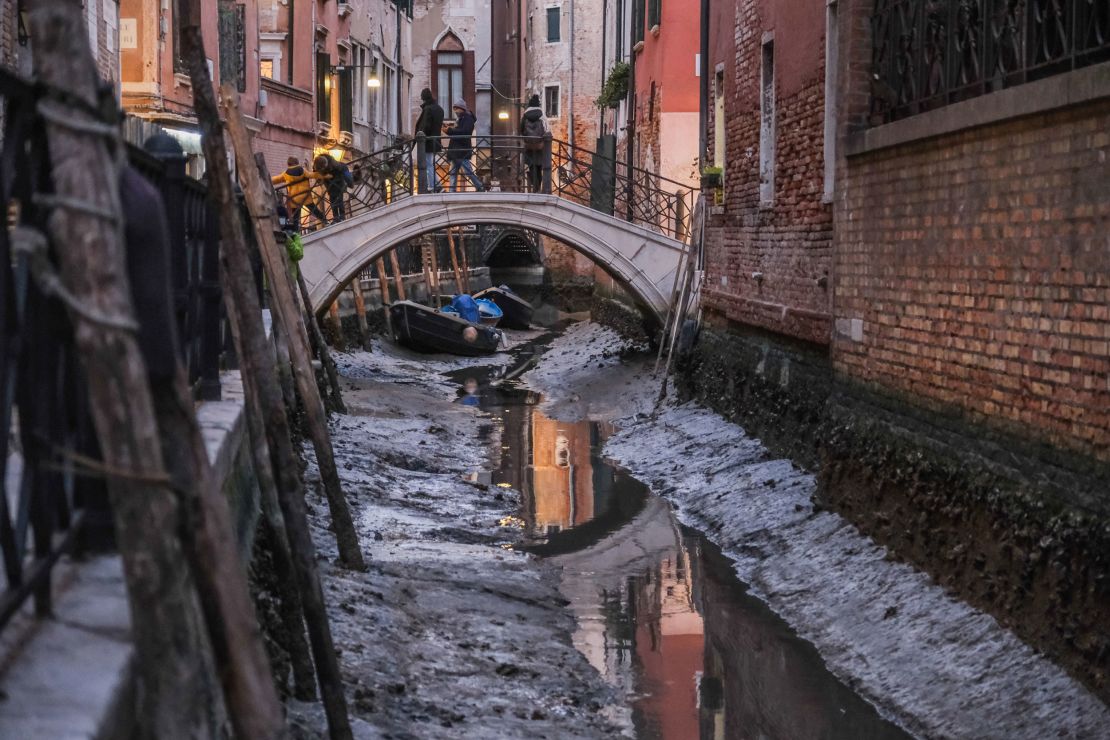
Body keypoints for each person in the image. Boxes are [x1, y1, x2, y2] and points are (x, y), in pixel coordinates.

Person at [272, 156, 326, 230]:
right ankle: (325, 220)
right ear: (297, 162)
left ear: (289, 164)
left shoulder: (286, 174)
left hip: (294, 198)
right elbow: (312, 175)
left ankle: (295, 231)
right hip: (305, 196)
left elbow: (276, 179)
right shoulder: (303, 171)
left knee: (296, 217)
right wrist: (325, 175)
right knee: (314, 210)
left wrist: (267, 179)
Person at [444, 99, 484, 192]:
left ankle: (479, 187)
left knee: (467, 171)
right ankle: (451, 191)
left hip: (461, 150)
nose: (455, 111)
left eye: (456, 109)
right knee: (454, 172)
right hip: (457, 150)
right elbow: (459, 132)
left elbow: (465, 133)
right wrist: (450, 130)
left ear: (462, 108)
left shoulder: (468, 119)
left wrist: (450, 131)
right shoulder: (461, 119)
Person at [414, 87, 444, 193]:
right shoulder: (440, 109)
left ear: (424, 98)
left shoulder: (428, 109)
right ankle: (437, 185)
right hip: (436, 141)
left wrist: (419, 136)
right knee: (430, 163)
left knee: (428, 164)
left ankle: (433, 186)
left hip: (427, 141)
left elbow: (425, 126)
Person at [520, 94, 550, 193]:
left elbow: (521, 129)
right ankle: (538, 188)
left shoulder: (525, 115)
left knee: (531, 165)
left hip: (528, 146)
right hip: (540, 146)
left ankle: (534, 185)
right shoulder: (542, 115)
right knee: (540, 167)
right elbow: (547, 130)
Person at [314, 153, 354, 222]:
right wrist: (322, 179)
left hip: (339, 180)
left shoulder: (334, 163)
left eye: (324, 167)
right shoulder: (317, 165)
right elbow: (316, 175)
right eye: (322, 169)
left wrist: (348, 183)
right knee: (332, 200)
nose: (323, 169)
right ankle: (335, 218)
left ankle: (342, 217)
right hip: (329, 183)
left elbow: (342, 169)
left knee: (339, 199)